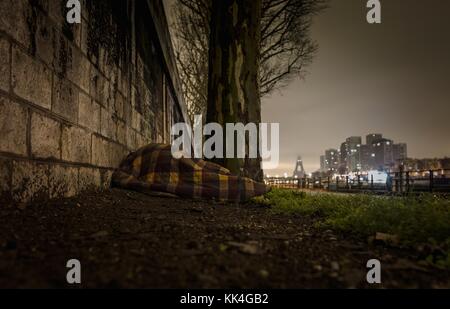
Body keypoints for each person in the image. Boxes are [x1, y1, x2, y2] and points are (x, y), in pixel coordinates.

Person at [112, 144, 269, 202]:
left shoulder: (137, 158)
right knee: (201, 173)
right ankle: (250, 186)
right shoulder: (142, 154)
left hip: (171, 156)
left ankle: (250, 186)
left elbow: (129, 177)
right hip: (172, 157)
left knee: (201, 174)